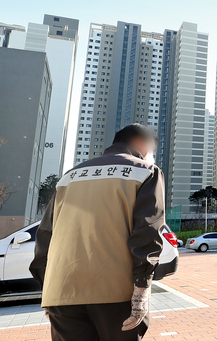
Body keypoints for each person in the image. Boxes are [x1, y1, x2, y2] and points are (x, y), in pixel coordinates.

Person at [30, 124, 165, 341]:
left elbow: (45, 234)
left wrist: (47, 287)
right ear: (141, 142)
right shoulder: (146, 171)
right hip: (116, 292)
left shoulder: (69, 176)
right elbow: (147, 231)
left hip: (61, 291)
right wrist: (141, 288)